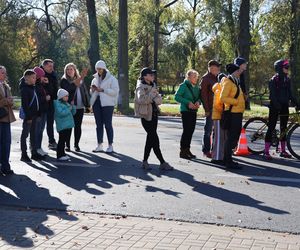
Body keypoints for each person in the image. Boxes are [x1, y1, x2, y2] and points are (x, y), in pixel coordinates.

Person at [134, 67, 173, 170]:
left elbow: (159, 100)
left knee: (150, 139)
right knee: (154, 139)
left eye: (153, 75)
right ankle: (162, 162)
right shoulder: (140, 87)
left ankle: (145, 162)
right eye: (151, 75)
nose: (153, 76)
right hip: (146, 116)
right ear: (145, 76)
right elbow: (141, 100)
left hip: (154, 114)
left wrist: (154, 98)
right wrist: (152, 96)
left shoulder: (153, 85)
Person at [264, 59, 299, 160]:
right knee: (271, 127)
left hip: (284, 106)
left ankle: (282, 150)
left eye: (288, 67)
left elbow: (290, 94)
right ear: (279, 68)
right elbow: (273, 95)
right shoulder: (273, 80)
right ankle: (266, 151)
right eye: (286, 67)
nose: (288, 69)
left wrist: (297, 103)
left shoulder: (287, 80)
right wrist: (277, 105)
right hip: (275, 106)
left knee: (284, 128)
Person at [90, 60, 119, 153]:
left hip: (108, 104)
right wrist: (93, 90)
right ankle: (99, 145)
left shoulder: (112, 79)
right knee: (98, 125)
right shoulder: (94, 79)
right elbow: (92, 93)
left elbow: (115, 92)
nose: (99, 70)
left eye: (100, 68)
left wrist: (103, 90)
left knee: (108, 125)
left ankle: (110, 145)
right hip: (96, 103)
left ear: (104, 68)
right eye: (97, 69)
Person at [220, 64, 246, 169]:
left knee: (234, 137)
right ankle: (228, 160)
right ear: (234, 71)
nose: (239, 72)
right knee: (231, 137)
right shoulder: (228, 81)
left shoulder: (235, 81)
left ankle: (228, 159)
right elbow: (223, 98)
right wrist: (236, 102)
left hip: (238, 112)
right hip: (232, 113)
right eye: (238, 70)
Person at [60, 63, 89, 152]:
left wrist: (87, 104)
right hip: (69, 107)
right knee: (69, 126)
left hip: (80, 107)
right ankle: (67, 145)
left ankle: (76, 145)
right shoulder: (64, 80)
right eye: (67, 69)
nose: (69, 71)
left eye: (71, 69)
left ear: (75, 70)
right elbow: (69, 89)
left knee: (78, 126)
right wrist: (79, 79)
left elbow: (85, 92)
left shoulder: (80, 79)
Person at [175, 69, 201, 159]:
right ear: (188, 77)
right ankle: (183, 151)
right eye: (194, 77)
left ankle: (187, 149)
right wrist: (188, 102)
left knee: (191, 131)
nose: (196, 78)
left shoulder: (196, 87)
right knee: (186, 131)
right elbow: (177, 97)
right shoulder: (183, 86)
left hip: (193, 111)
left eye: (196, 77)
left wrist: (198, 102)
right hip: (185, 111)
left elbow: (199, 97)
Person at [20, 69, 44, 162]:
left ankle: (34, 153)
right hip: (29, 117)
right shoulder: (24, 89)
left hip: (34, 115)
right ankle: (24, 154)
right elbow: (25, 105)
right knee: (25, 135)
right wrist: (28, 117)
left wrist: (38, 114)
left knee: (33, 135)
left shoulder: (32, 87)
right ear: (27, 78)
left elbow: (36, 102)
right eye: (33, 77)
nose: (35, 79)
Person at [200, 60, 221, 158]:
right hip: (210, 108)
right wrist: (207, 109)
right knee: (208, 130)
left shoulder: (217, 78)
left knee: (216, 131)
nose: (218, 70)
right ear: (211, 68)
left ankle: (214, 150)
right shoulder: (205, 79)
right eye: (216, 68)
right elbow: (203, 96)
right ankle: (206, 150)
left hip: (218, 108)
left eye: (218, 68)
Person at [0, 66, 16, 175]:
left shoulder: (6, 86)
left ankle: (5, 166)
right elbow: (4, 101)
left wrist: (11, 101)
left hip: (6, 117)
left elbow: (10, 101)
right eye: (2, 73)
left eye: (5, 72)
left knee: (6, 143)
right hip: (1, 117)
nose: (4, 75)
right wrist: (6, 101)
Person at [40, 59, 58, 150]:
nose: (52, 68)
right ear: (44, 66)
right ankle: (35, 145)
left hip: (51, 103)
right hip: (42, 104)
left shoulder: (53, 75)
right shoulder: (38, 75)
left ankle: (51, 141)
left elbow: (54, 89)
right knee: (40, 125)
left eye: (52, 66)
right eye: (50, 66)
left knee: (50, 123)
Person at [54, 89, 76, 161]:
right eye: (65, 96)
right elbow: (61, 113)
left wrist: (73, 106)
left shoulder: (66, 104)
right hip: (62, 126)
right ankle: (59, 155)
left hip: (68, 125)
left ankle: (63, 153)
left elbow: (73, 113)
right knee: (62, 140)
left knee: (65, 140)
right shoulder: (57, 104)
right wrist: (69, 108)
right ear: (61, 96)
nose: (67, 97)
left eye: (67, 96)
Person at [211, 73, 227, 165]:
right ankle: (216, 158)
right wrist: (224, 111)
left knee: (222, 137)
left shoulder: (219, 88)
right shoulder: (218, 89)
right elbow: (218, 104)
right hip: (218, 116)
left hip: (220, 115)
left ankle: (220, 156)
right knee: (218, 138)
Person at [34, 66, 50, 157]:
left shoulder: (41, 85)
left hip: (43, 110)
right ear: (38, 76)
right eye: (42, 76)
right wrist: (45, 98)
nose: (44, 77)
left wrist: (46, 84)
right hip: (38, 112)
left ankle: (39, 147)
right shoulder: (35, 86)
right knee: (37, 130)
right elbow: (37, 99)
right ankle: (36, 148)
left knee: (41, 130)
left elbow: (47, 92)